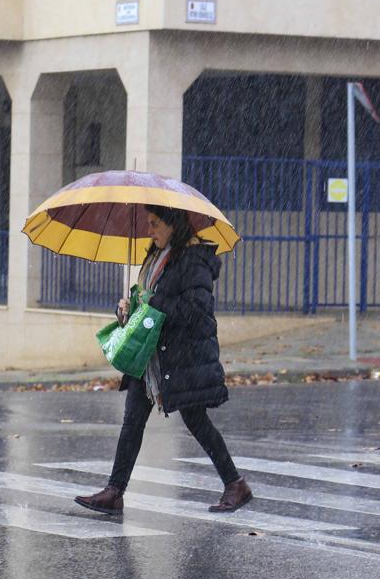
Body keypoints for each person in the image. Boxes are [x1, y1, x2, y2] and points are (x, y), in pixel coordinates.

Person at [74, 204, 252, 515]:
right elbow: (147, 304)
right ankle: (115, 491)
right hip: (152, 355)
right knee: (132, 421)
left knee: (196, 421)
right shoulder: (155, 257)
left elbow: (196, 310)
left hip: (184, 356)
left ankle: (235, 484)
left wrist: (153, 301)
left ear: (174, 224)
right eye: (148, 224)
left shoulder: (193, 260)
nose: (149, 230)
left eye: (155, 224)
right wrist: (127, 309)